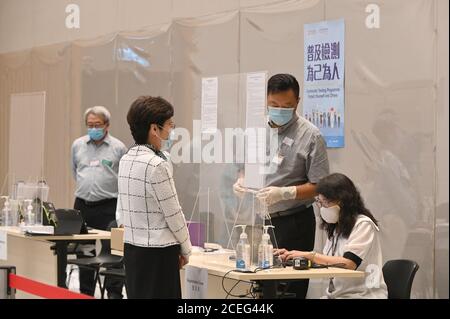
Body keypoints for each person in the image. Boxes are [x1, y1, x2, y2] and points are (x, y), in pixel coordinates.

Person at [233, 74, 329, 298]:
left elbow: (320, 185)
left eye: (286, 106)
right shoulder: (256, 130)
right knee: (260, 286)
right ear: (266, 101)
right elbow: (245, 166)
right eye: (274, 105)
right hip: (260, 219)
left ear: (297, 102)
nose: (280, 110)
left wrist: (286, 192)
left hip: (294, 220)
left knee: (288, 289)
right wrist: (241, 180)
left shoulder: (311, 136)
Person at [117, 96, 192, 299]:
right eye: (169, 125)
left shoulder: (126, 159)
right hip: (158, 253)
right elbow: (173, 213)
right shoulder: (155, 165)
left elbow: (122, 210)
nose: (171, 130)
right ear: (154, 129)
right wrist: (186, 248)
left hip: (132, 249)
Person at [276, 173, 388, 299]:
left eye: (326, 202)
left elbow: (349, 264)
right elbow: (326, 262)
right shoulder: (336, 228)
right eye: (320, 202)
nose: (323, 207)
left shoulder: (363, 225)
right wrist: (292, 255)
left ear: (344, 201)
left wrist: (310, 255)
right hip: (338, 295)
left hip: (362, 295)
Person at [71, 105, 127, 298]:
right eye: (89, 125)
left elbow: (124, 177)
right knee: (84, 250)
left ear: (107, 125)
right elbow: (75, 171)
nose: (93, 128)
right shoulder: (77, 145)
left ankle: (114, 292)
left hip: (110, 206)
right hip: (83, 205)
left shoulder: (118, 148)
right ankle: (85, 292)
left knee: (115, 250)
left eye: (97, 125)